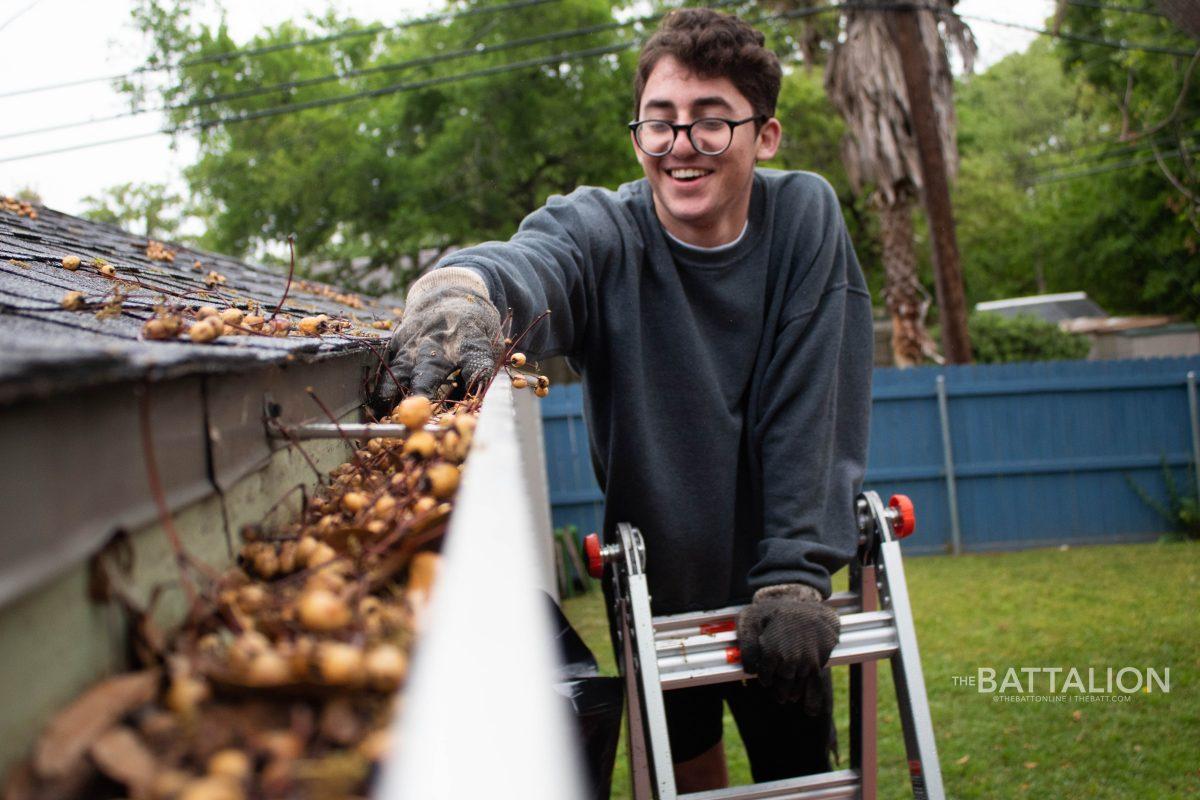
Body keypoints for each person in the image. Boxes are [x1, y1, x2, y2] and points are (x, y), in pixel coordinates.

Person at [378, 8, 873, 792]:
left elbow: (812, 408)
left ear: (765, 136)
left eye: (712, 124)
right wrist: (460, 292)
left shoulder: (804, 221)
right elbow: (532, 262)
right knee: (682, 774)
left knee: (798, 775)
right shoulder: (605, 231)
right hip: (653, 583)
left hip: (779, 588)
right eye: (660, 123)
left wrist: (793, 571)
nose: (681, 147)